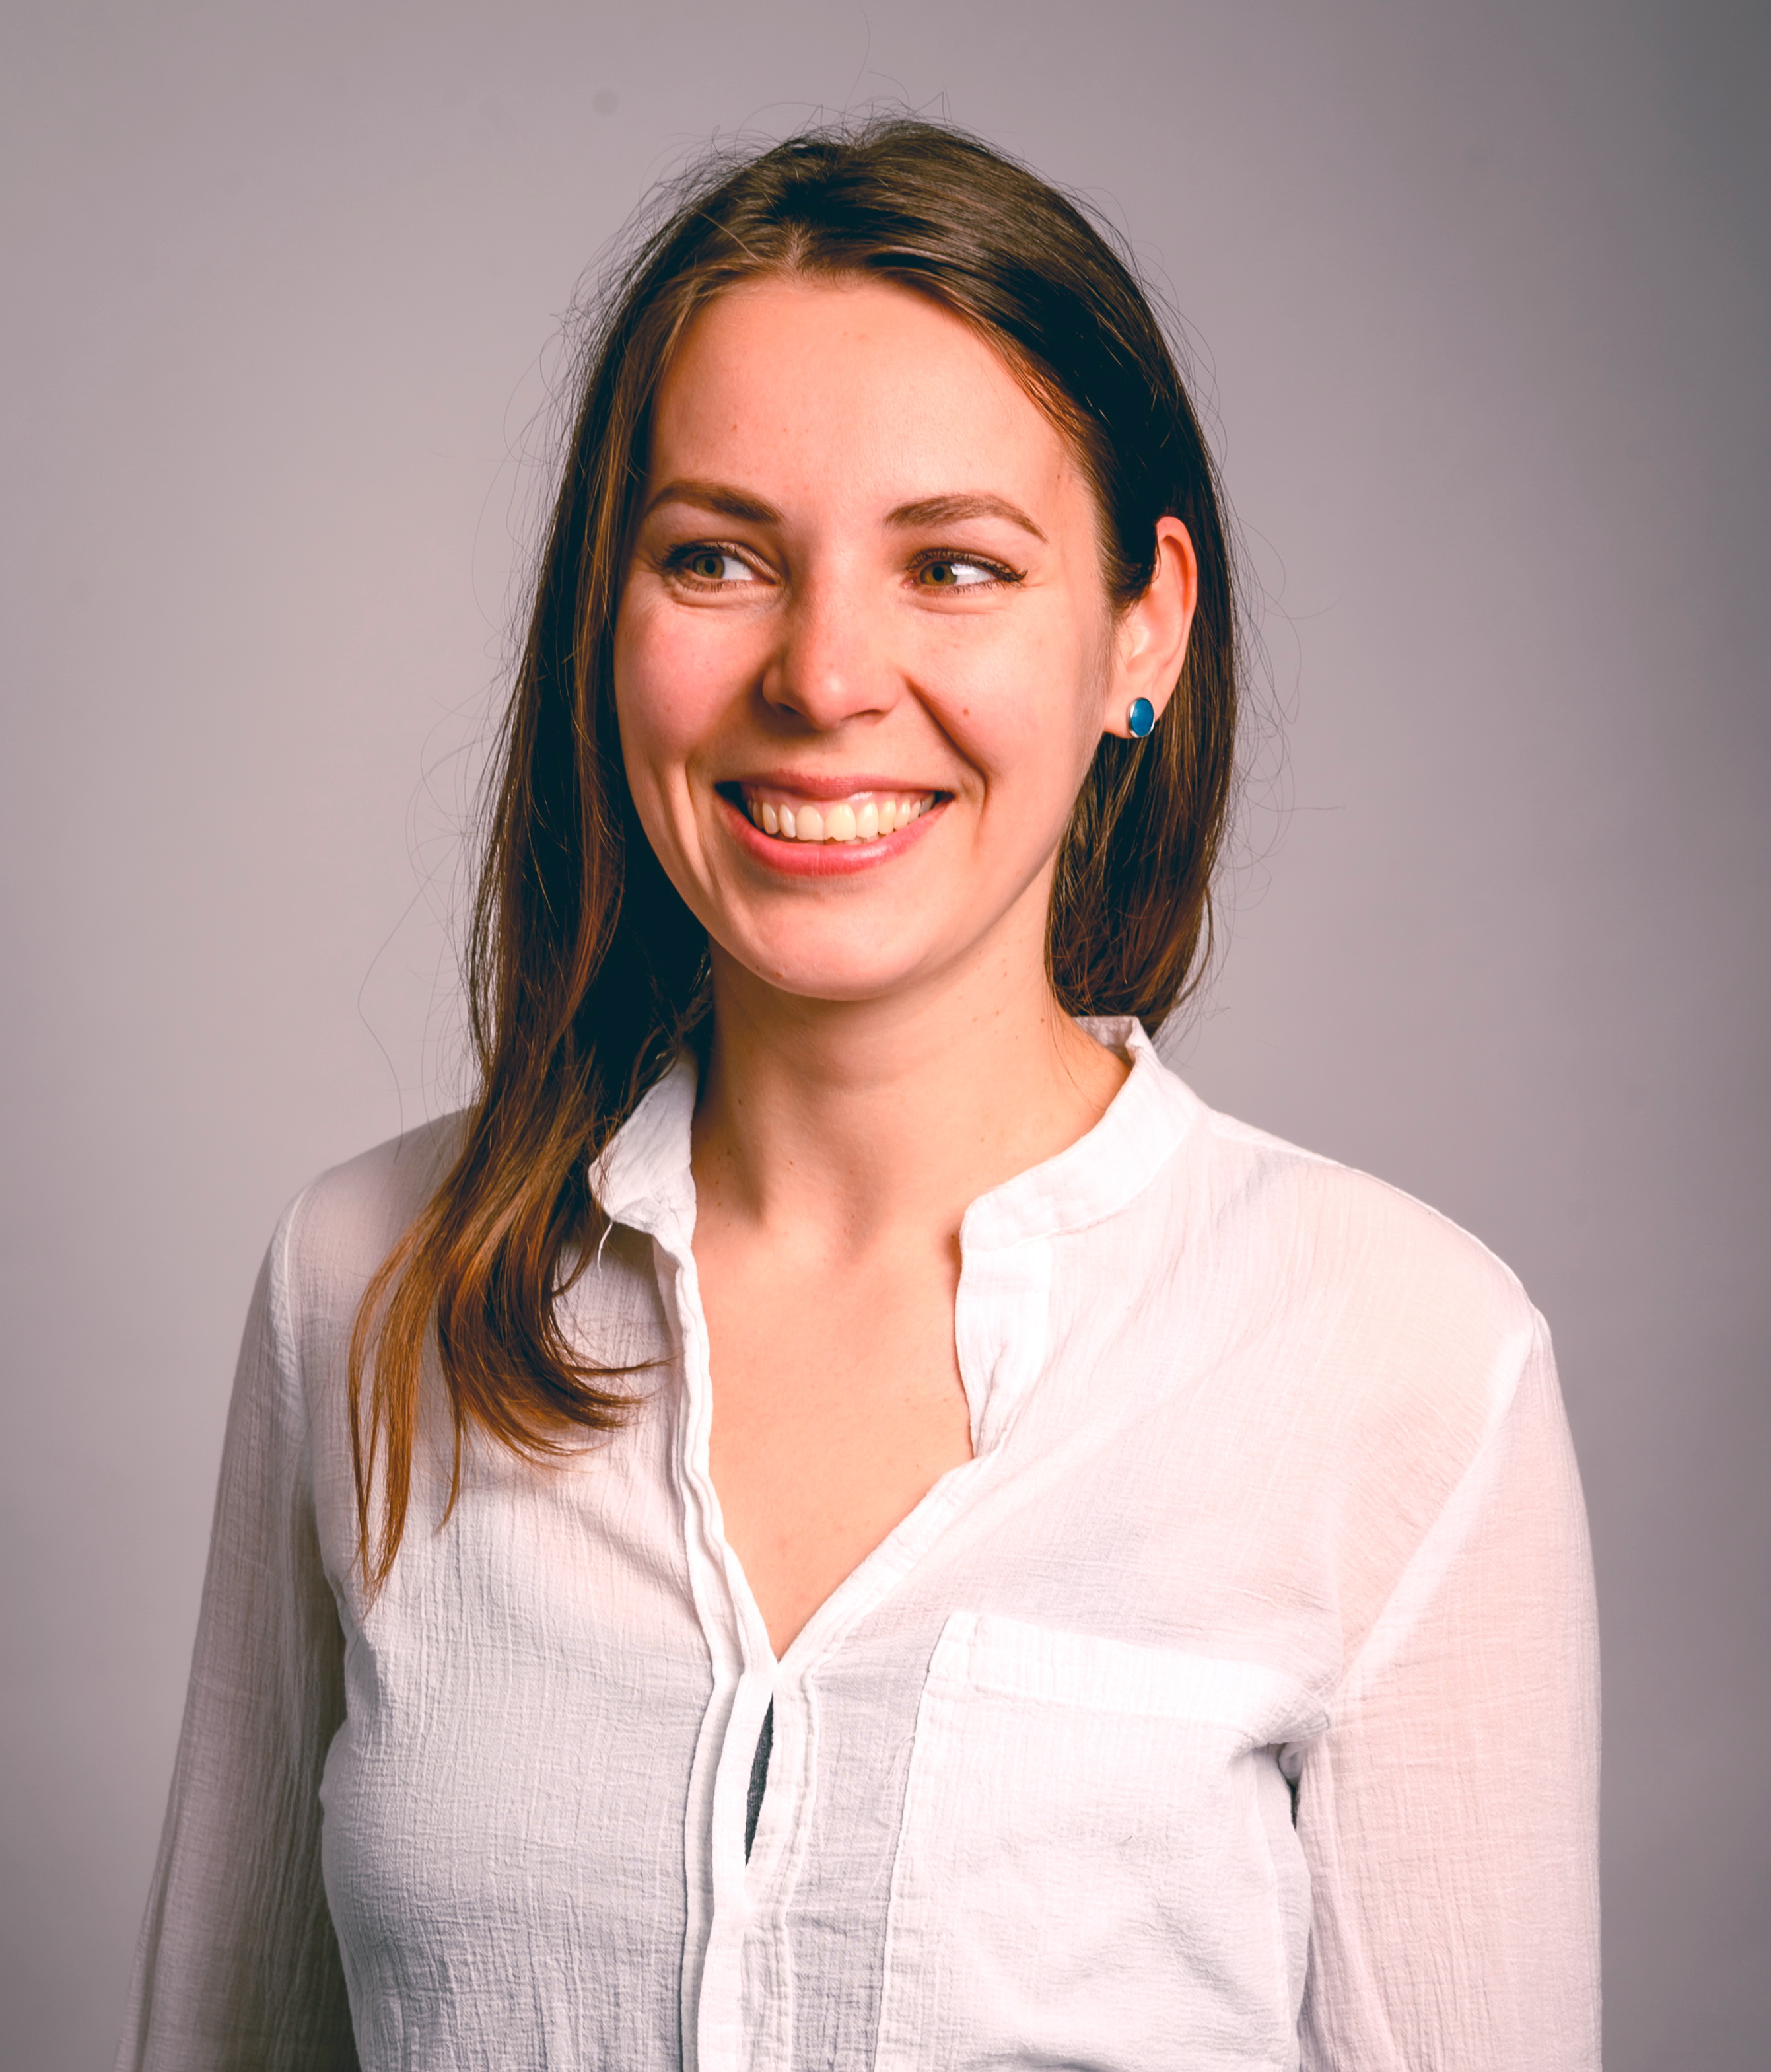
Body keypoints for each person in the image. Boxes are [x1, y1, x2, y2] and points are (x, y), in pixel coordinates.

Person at [116, 118, 1600, 2072]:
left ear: (1139, 628)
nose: (823, 673)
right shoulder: (360, 1287)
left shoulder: (1401, 1359)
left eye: (953, 565)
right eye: (716, 555)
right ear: (609, 615)